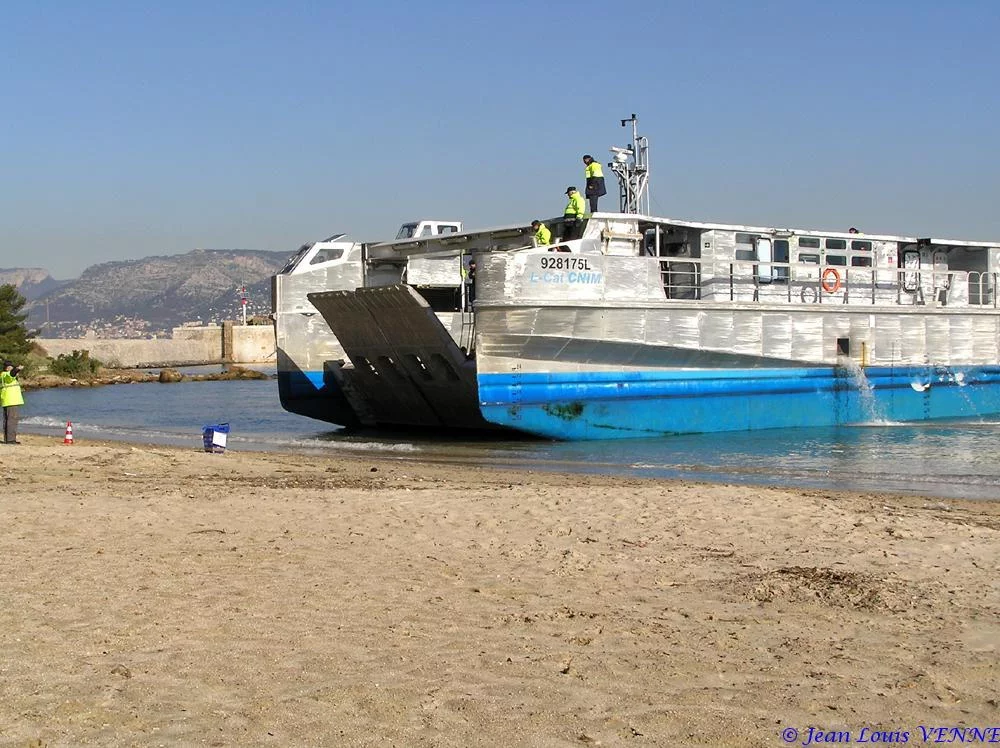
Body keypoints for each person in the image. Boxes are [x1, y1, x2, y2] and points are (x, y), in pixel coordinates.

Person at [1, 361, 25, 445]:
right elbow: (12, 374)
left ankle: (8, 439)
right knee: (12, 421)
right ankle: (11, 440)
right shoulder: (6, 374)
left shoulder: (3, 375)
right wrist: (18, 369)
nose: (13, 368)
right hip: (12, 400)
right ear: (8, 368)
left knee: (7, 421)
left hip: (7, 400)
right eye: (11, 367)